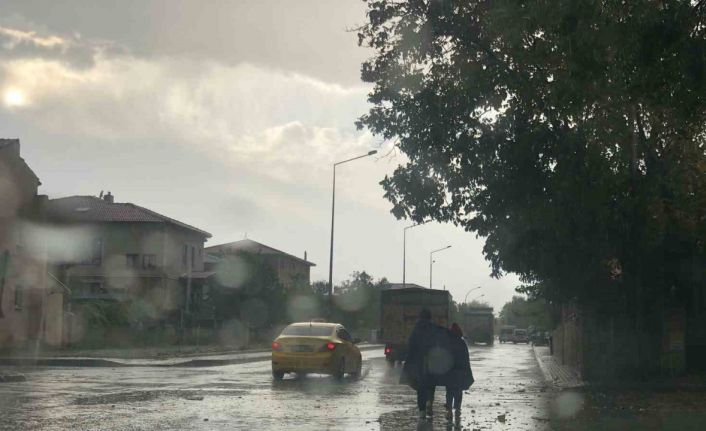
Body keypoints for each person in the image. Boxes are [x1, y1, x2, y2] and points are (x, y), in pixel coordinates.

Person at [401, 308, 441, 419]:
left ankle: (422, 410)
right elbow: (439, 344)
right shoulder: (434, 328)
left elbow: (411, 345)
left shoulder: (416, 328)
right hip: (432, 362)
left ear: (420, 317)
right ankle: (430, 403)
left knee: (421, 387)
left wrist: (408, 361)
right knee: (431, 384)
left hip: (419, 362)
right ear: (430, 317)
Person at [443, 322, 474, 420]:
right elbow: (466, 359)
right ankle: (457, 409)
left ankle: (449, 410)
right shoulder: (462, 343)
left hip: (449, 371)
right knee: (458, 390)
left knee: (449, 391)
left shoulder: (447, 342)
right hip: (459, 371)